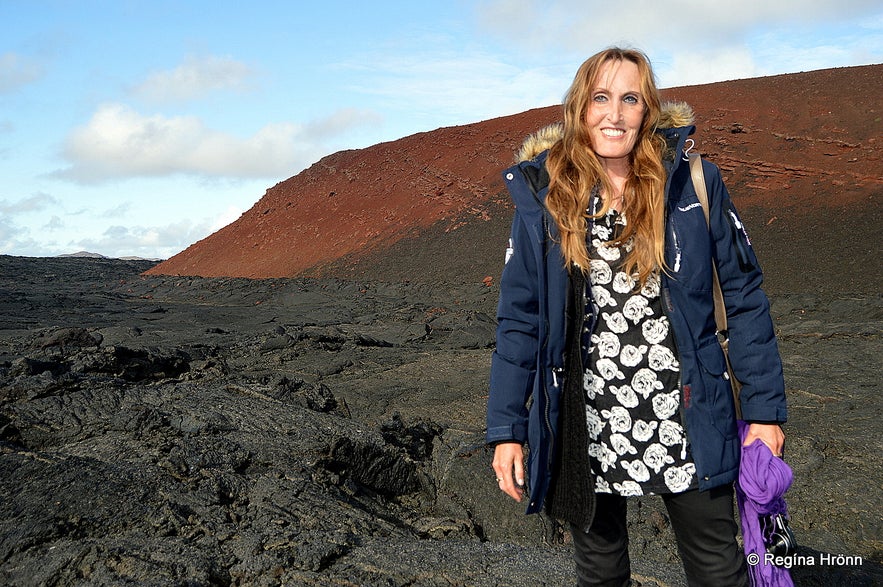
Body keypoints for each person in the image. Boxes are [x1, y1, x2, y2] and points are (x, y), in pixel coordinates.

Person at [486, 47, 787, 586]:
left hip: (691, 415)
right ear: (580, 108)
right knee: (601, 573)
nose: (615, 114)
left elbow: (744, 295)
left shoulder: (692, 184)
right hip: (589, 420)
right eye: (601, 98)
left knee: (719, 568)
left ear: (647, 110)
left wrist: (764, 413)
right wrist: (507, 428)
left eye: (630, 99)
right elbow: (520, 320)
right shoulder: (546, 197)